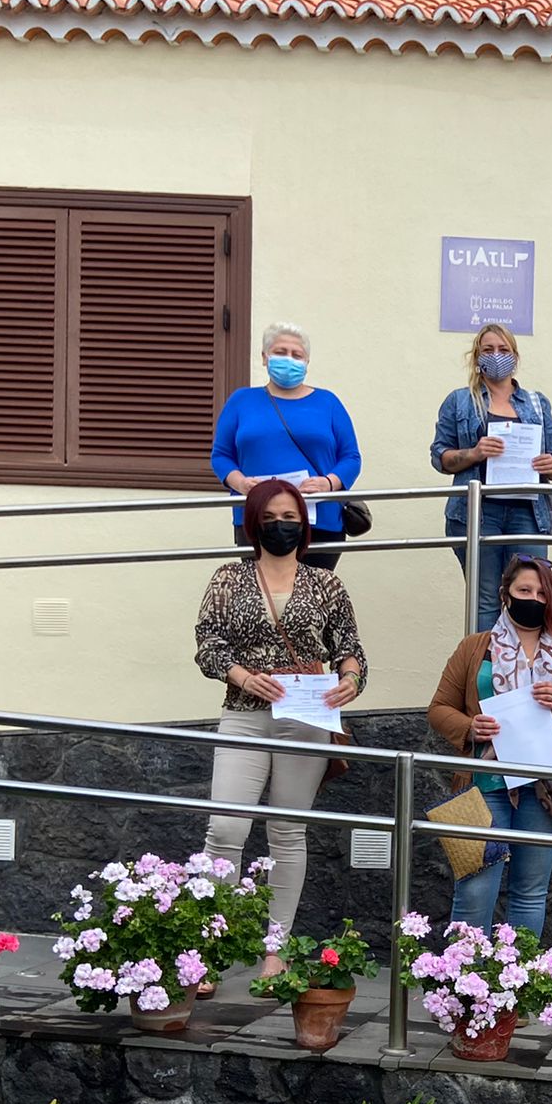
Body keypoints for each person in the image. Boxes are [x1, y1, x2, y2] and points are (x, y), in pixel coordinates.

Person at [193, 479, 366, 975]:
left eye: (291, 515)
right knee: (225, 828)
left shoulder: (326, 584)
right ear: (254, 522)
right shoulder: (228, 578)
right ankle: (206, 950)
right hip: (244, 713)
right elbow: (207, 643)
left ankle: (275, 950)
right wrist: (245, 675)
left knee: (287, 831)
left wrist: (350, 680)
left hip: (307, 717)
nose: (282, 524)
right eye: (271, 516)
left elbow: (350, 648)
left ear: (304, 523)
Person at [426, 555, 552, 941]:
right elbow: (439, 709)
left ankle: (517, 988)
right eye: (524, 590)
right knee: (474, 887)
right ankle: (465, 989)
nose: (533, 598)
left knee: (530, 892)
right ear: (505, 594)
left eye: (542, 593)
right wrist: (470, 727)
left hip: (545, 790)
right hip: (485, 785)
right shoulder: (475, 648)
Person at [430, 324, 552, 633]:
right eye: (488, 350)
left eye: (504, 350)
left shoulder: (536, 403)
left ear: (515, 357)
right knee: (486, 600)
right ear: (477, 357)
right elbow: (440, 456)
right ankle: (486, 672)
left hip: (527, 512)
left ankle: (528, 667)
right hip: (479, 513)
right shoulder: (459, 401)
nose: (496, 356)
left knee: (533, 594)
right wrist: (475, 453)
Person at [212, 323, 362, 572]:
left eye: (297, 355)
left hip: (320, 520)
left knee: (315, 598)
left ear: (307, 362)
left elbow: (351, 458)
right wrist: (240, 483)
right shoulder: (241, 401)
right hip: (257, 517)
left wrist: (328, 483)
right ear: (264, 357)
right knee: (261, 597)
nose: (289, 359)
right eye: (281, 352)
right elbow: (221, 456)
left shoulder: (328, 403)